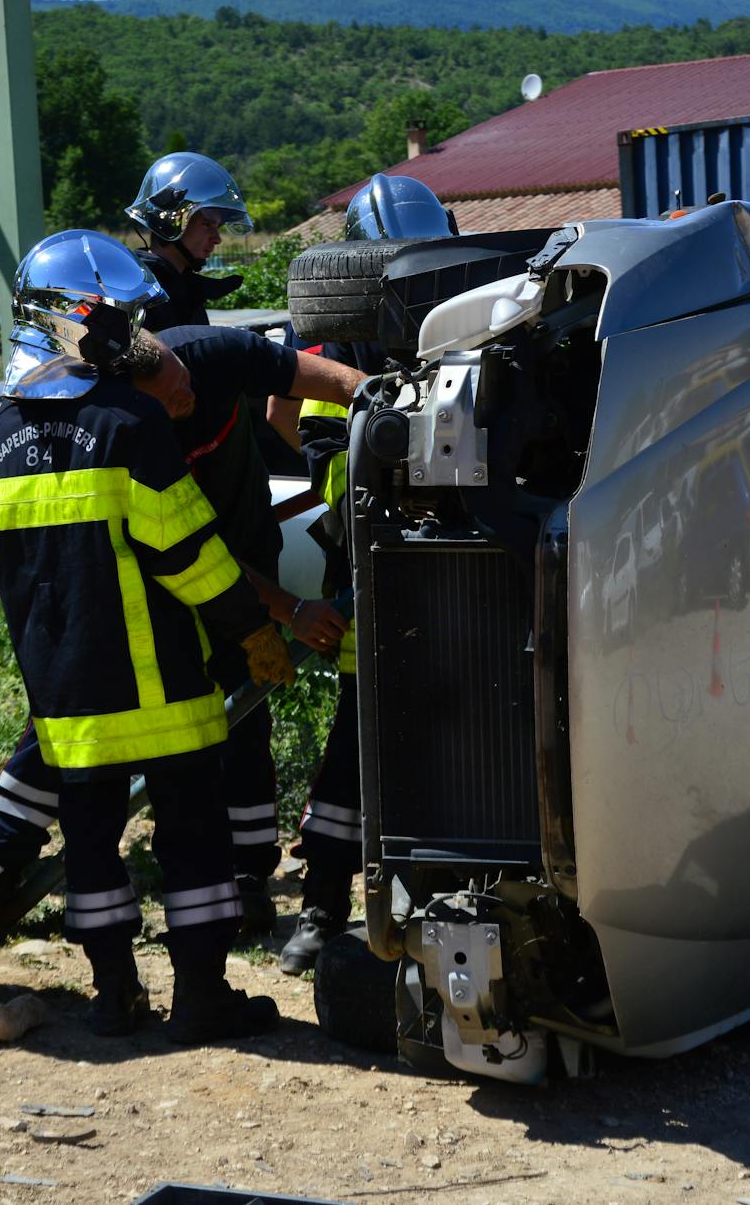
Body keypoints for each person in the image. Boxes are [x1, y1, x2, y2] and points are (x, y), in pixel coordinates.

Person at [0, 228, 295, 1042]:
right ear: (94, 323)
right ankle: (202, 997)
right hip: (161, 683)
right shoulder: (127, 424)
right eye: (131, 321)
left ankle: (115, 997)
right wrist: (253, 631)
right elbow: (189, 553)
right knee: (193, 843)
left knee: (92, 847)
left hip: (63, 695)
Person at [125, 325, 364, 934]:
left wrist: (378, 401)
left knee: (246, 721)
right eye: (171, 398)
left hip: (244, 547)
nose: (187, 399)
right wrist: (290, 611)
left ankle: (250, 875)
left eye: (185, 385)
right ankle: (8, 851)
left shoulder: (214, 356)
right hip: (171, 575)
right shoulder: (128, 435)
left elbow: (313, 381)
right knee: (188, 726)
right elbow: (199, 550)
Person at [276, 173, 455, 975]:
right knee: (357, 741)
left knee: (462, 741)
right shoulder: (341, 327)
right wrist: (375, 494)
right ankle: (320, 906)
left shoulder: (477, 303)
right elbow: (315, 444)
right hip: (376, 559)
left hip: (466, 560)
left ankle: (446, 900)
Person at [125, 153, 251, 332]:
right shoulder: (137, 293)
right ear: (168, 224)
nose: (217, 238)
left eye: (218, 227)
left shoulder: (184, 288)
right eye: (207, 225)